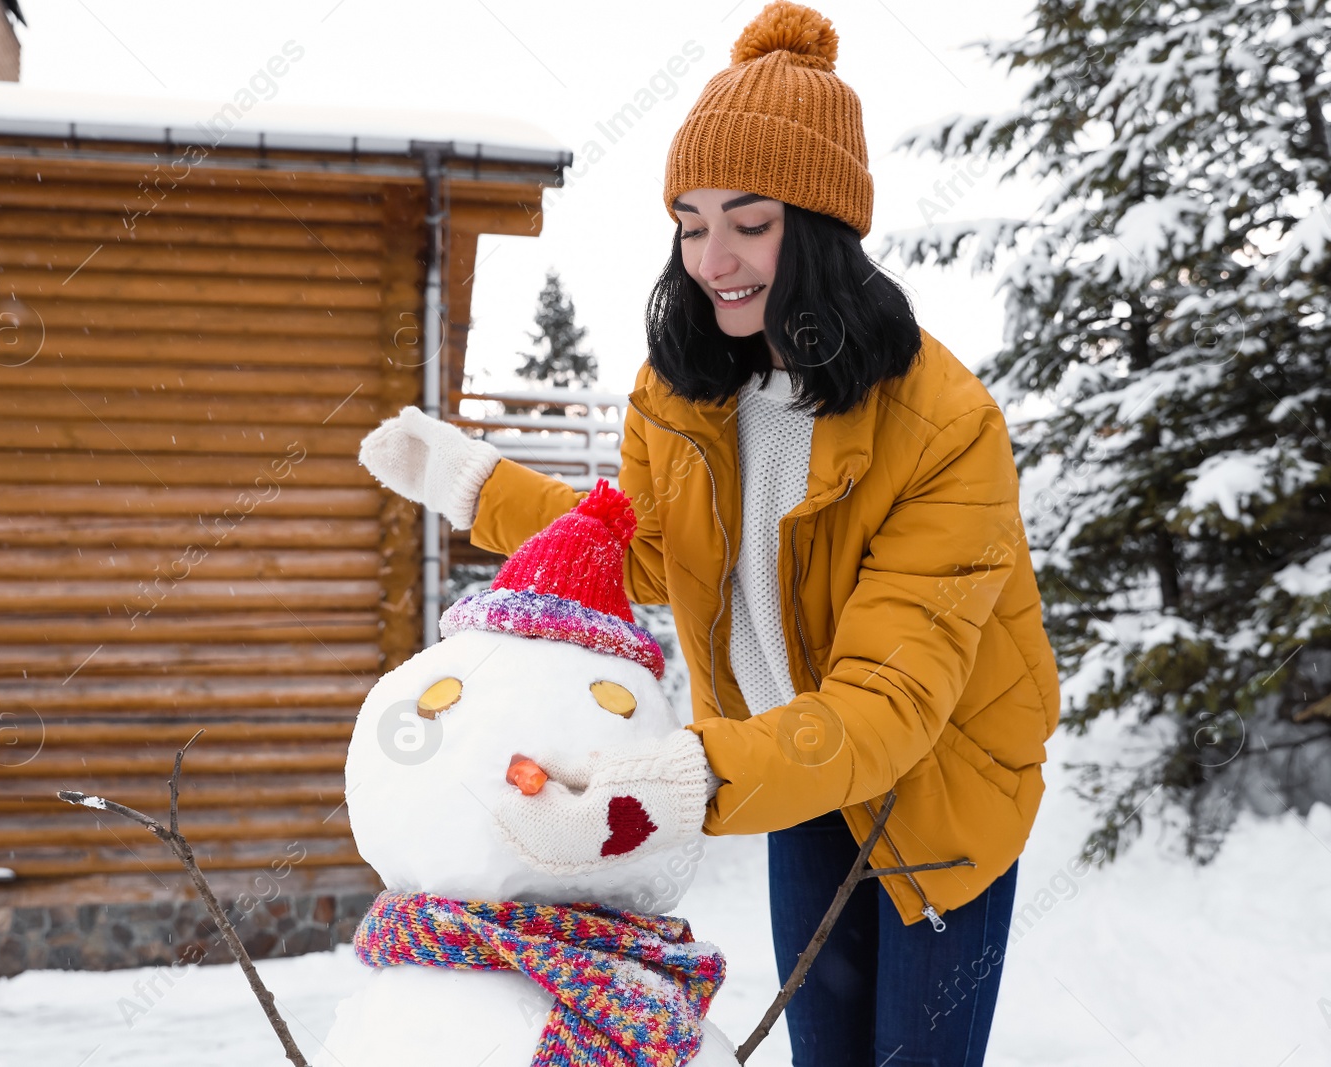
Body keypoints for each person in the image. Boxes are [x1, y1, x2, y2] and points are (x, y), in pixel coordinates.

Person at [356, 3, 1060, 1064]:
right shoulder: (684, 393)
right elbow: (643, 545)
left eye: (749, 220)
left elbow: (891, 704)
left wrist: (664, 785)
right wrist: (473, 482)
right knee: (821, 1051)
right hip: (792, 771)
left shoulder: (943, 426)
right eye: (689, 222)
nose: (712, 257)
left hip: (941, 792)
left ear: (822, 227)